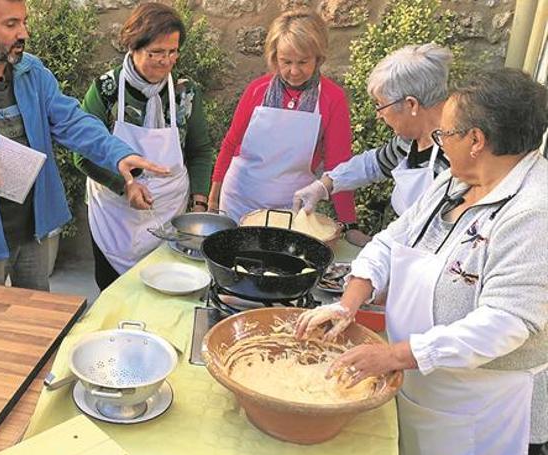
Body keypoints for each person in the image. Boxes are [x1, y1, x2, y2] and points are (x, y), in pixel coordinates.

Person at [295, 68, 548, 455]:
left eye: (445, 133)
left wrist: (397, 354)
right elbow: (392, 240)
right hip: (426, 387)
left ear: (477, 140)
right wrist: (347, 303)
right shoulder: (456, 180)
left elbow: (505, 323)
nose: (438, 142)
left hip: (488, 411)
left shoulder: (533, 213)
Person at [0, 0, 168, 291]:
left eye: (24, 21)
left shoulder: (34, 74)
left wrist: (118, 155)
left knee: (39, 324)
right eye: (11, 24)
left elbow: (72, 121)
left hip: (35, 231)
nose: (23, 33)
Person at [72, 2, 214, 289]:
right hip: (114, 213)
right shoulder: (106, 90)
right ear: (133, 48)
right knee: (113, 289)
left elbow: (200, 150)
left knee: (163, 287)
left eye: (173, 51)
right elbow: (82, 154)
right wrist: (124, 185)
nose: (166, 61)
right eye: (156, 53)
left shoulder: (185, 94)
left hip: (168, 211)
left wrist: (199, 204)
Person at [292, 43, 453, 245]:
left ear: (411, 104)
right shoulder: (408, 141)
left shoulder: (455, 157)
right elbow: (373, 165)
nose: (378, 115)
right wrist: (324, 185)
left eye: (381, 105)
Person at [208, 9, 355, 229]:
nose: (294, 71)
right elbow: (230, 144)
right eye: (285, 62)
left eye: (303, 62)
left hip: (292, 209)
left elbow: (338, 165)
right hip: (239, 201)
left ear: (318, 58)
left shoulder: (332, 98)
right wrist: (213, 201)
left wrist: (348, 222)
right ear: (274, 57)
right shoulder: (257, 90)